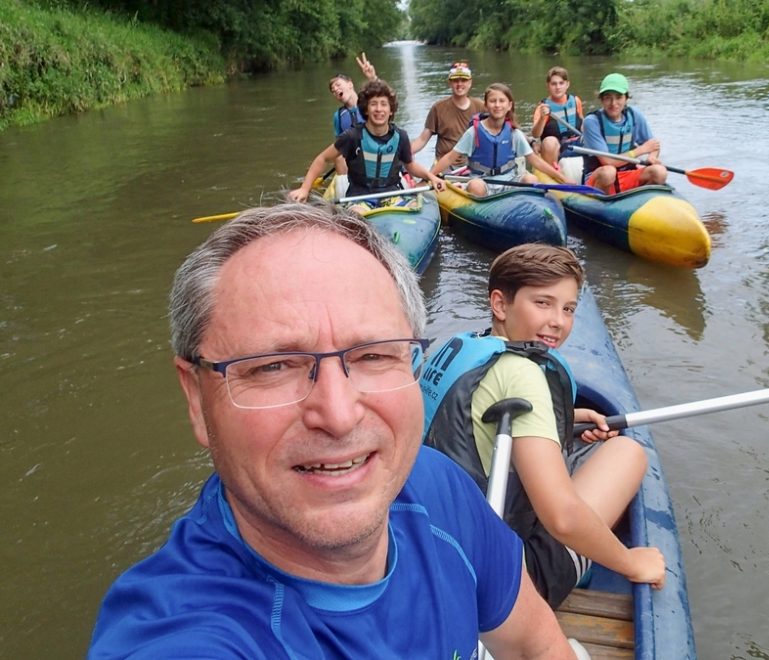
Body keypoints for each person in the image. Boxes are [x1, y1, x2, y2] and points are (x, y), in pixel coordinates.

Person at [88, 204, 580, 658]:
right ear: (196, 399)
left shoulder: (436, 487)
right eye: (274, 365)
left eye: (373, 355)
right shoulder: (189, 637)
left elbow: (536, 644)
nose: (339, 415)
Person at [420, 243, 667, 608]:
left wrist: (570, 417)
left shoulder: (455, 347)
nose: (559, 321)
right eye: (543, 303)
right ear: (500, 304)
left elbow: (469, 430)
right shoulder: (523, 373)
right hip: (502, 587)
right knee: (627, 452)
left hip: (430, 552)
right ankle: (580, 564)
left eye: (568, 309)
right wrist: (632, 562)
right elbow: (562, 518)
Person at [288, 79, 445, 213]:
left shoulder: (400, 136)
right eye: (373, 104)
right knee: (356, 214)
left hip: (392, 195)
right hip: (359, 197)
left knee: (413, 209)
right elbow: (322, 158)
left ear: (391, 110)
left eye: (384, 104)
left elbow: (410, 166)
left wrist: (431, 177)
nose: (378, 109)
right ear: (366, 109)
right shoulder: (352, 136)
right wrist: (304, 188)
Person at [430, 83, 573, 197]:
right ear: (486, 105)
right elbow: (450, 157)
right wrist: (430, 176)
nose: (497, 105)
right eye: (493, 101)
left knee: (531, 180)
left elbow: (534, 160)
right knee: (475, 187)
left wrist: (562, 178)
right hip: (483, 181)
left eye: (501, 101)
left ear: (509, 105)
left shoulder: (514, 133)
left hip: (510, 180)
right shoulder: (473, 132)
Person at [580, 73, 667, 194]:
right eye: (608, 97)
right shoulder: (592, 122)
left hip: (627, 174)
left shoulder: (634, 114)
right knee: (609, 172)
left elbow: (653, 144)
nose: (613, 103)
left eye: (618, 97)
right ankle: (602, 204)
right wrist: (640, 150)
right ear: (601, 99)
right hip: (599, 177)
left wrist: (652, 156)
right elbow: (608, 162)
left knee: (660, 172)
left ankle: (638, 201)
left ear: (626, 98)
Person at [410, 61, 486, 166]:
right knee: (422, 183)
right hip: (443, 166)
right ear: (449, 82)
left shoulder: (481, 107)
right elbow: (423, 139)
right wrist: (406, 152)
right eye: (455, 81)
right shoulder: (438, 108)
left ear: (470, 82)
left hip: (472, 165)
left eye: (463, 80)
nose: (459, 84)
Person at [327, 53, 377, 186]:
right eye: (333, 90)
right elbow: (339, 145)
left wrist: (372, 78)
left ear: (350, 84)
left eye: (338, 85)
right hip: (355, 160)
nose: (336, 90)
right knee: (338, 157)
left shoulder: (369, 102)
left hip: (376, 153)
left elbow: (382, 94)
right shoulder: (339, 116)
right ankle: (346, 188)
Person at [531, 67, 584, 174]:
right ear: (548, 86)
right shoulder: (543, 107)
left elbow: (582, 123)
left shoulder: (576, 101)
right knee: (549, 141)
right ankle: (554, 175)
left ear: (567, 84)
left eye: (561, 83)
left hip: (576, 142)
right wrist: (542, 118)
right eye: (553, 84)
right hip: (556, 148)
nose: (558, 87)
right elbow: (536, 134)